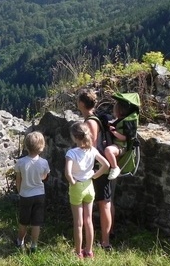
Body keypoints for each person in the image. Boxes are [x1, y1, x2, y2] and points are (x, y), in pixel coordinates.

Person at [65, 121, 110, 259]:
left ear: (74, 137)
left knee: (78, 223)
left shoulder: (71, 153)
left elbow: (68, 173)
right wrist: (94, 175)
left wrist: (73, 182)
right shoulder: (93, 150)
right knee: (89, 220)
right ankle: (89, 251)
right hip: (89, 186)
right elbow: (106, 165)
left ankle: (78, 252)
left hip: (77, 187)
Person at [77, 88, 115, 251]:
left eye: (78, 101)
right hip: (98, 166)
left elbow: (89, 145)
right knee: (104, 202)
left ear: (81, 103)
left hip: (98, 167)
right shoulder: (93, 119)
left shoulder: (91, 122)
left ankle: (105, 242)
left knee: (103, 203)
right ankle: (105, 236)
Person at [14, 131, 50, 253]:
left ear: (26, 146)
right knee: (36, 222)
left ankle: (20, 241)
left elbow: (18, 181)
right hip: (40, 195)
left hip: (25, 195)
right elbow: (45, 177)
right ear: (42, 146)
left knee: (23, 221)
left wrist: (20, 192)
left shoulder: (20, 162)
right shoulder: (44, 162)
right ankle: (34, 245)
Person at [106, 92, 140, 179]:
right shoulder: (121, 120)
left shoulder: (127, 123)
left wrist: (114, 132)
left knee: (108, 150)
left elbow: (125, 138)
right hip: (117, 144)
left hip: (121, 146)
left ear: (120, 110)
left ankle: (114, 168)